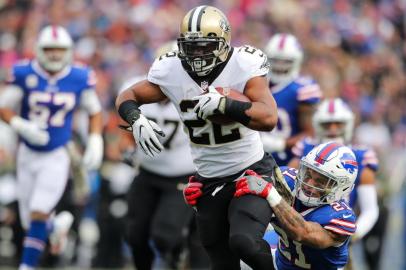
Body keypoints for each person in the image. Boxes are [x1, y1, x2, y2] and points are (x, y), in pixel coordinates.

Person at [116, 5, 282, 270]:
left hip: (249, 171)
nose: (197, 54)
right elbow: (127, 96)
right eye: (191, 46)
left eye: (205, 46)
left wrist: (226, 105)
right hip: (208, 179)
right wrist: (136, 119)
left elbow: (269, 119)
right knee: (219, 260)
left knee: (243, 242)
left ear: (224, 42)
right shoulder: (171, 69)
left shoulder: (243, 64)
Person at [0, 25, 103, 270]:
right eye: (50, 49)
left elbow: (95, 111)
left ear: (68, 51)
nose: (55, 55)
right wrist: (20, 124)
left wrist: (96, 139)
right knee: (29, 221)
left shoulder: (79, 77)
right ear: (39, 50)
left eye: (60, 50)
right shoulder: (24, 73)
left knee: (38, 211)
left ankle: (27, 266)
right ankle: (55, 226)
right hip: (26, 153)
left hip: (57, 154)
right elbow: (4, 106)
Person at [119, 41, 206, 270]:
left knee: (164, 236)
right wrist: (128, 149)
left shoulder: (196, 96)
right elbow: (123, 128)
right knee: (134, 235)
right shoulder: (136, 90)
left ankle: (178, 253)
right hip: (147, 172)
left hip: (182, 175)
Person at [234, 142, 359, 269]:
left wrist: (271, 194)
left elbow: (302, 232)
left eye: (321, 181)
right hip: (279, 261)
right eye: (308, 174)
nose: (309, 184)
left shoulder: (341, 216)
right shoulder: (286, 180)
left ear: (343, 187)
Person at [288, 98, 379, 242]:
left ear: (348, 125)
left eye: (339, 124)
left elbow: (370, 210)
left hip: (337, 226)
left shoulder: (363, 156)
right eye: (327, 124)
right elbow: (288, 183)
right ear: (317, 125)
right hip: (299, 221)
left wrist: (351, 235)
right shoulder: (305, 148)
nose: (333, 129)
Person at [261, 33, 322, 166]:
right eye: (275, 60)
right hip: (257, 159)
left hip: (290, 161)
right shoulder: (257, 84)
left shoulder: (303, 89)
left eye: (286, 62)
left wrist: (281, 144)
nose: (280, 65)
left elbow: (312, 135)